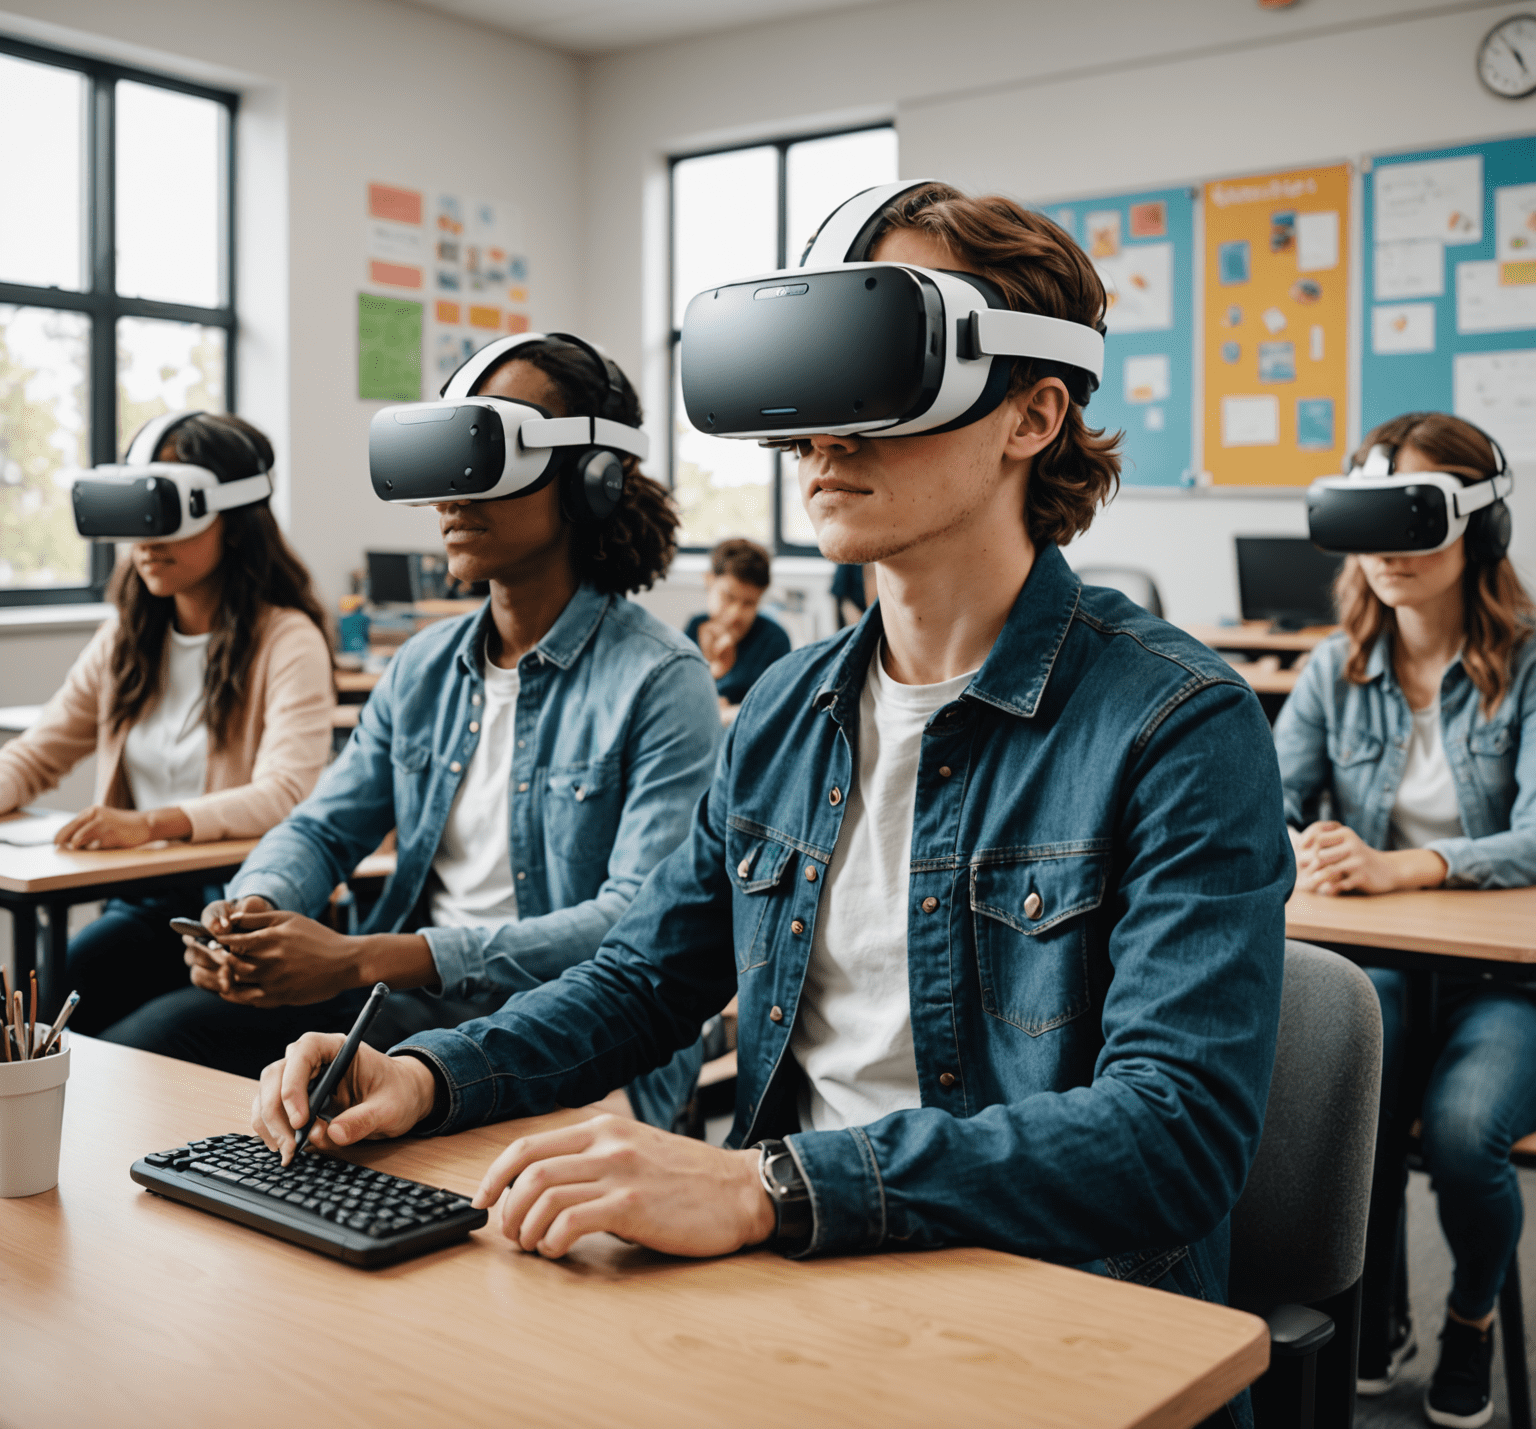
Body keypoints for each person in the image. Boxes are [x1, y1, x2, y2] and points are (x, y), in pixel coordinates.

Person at [252, 185, 1290, 1406]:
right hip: (793, 1279)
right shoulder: (790, 712)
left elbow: (1174, 1136)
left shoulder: (1177, 722)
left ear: (1034, 412)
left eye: (874, 375)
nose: (820, 437)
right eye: (803, 389)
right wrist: (430, 1076)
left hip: (1051, 1310)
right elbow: (645, 980)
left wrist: (767, 1185)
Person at [109, 335, 722, 1128]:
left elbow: (633, 921)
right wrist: (255, 909)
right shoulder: (423, 666)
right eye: (447, 462)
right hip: (407, 1009)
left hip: (574, 1032)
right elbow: (324, 828)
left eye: (491, 457)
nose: (453, 495)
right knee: (153, 1051)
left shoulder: (661, 679)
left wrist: (364, 958)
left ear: (592, 480)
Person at [1274, 411, 1536, 1429]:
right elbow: (1272, 804)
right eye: (1367, 520)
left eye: (1412, 519)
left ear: (1482, 527)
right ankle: (1371, 1310)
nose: (1386, 550)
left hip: (1503, 977)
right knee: (1345, 1105)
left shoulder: (1528, 663)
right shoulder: (1331, 670)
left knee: (1469, 1133)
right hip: (1378, 962)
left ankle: (1472, 1315)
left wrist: (1405, 864)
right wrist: (1298, 844)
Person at [0, 413, 334, 1038]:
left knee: (118, 1050)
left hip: (235, 913)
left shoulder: (288, 640)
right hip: (145, 905)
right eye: (137, 518)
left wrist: (150, 824)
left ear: (232, 521)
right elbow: (38, 753)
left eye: (171, 516)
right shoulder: (129, 637)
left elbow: (285, 794)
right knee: (23, 1024)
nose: (147, 542)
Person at [685, 538, 792, 724]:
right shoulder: (695, 628)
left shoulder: (774, 639)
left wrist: (733, 712)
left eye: (749, 604)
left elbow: (779, 707)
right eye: (728, 597)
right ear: (709, 580)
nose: (736, 614)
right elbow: (680, 695)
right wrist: (714, 672)